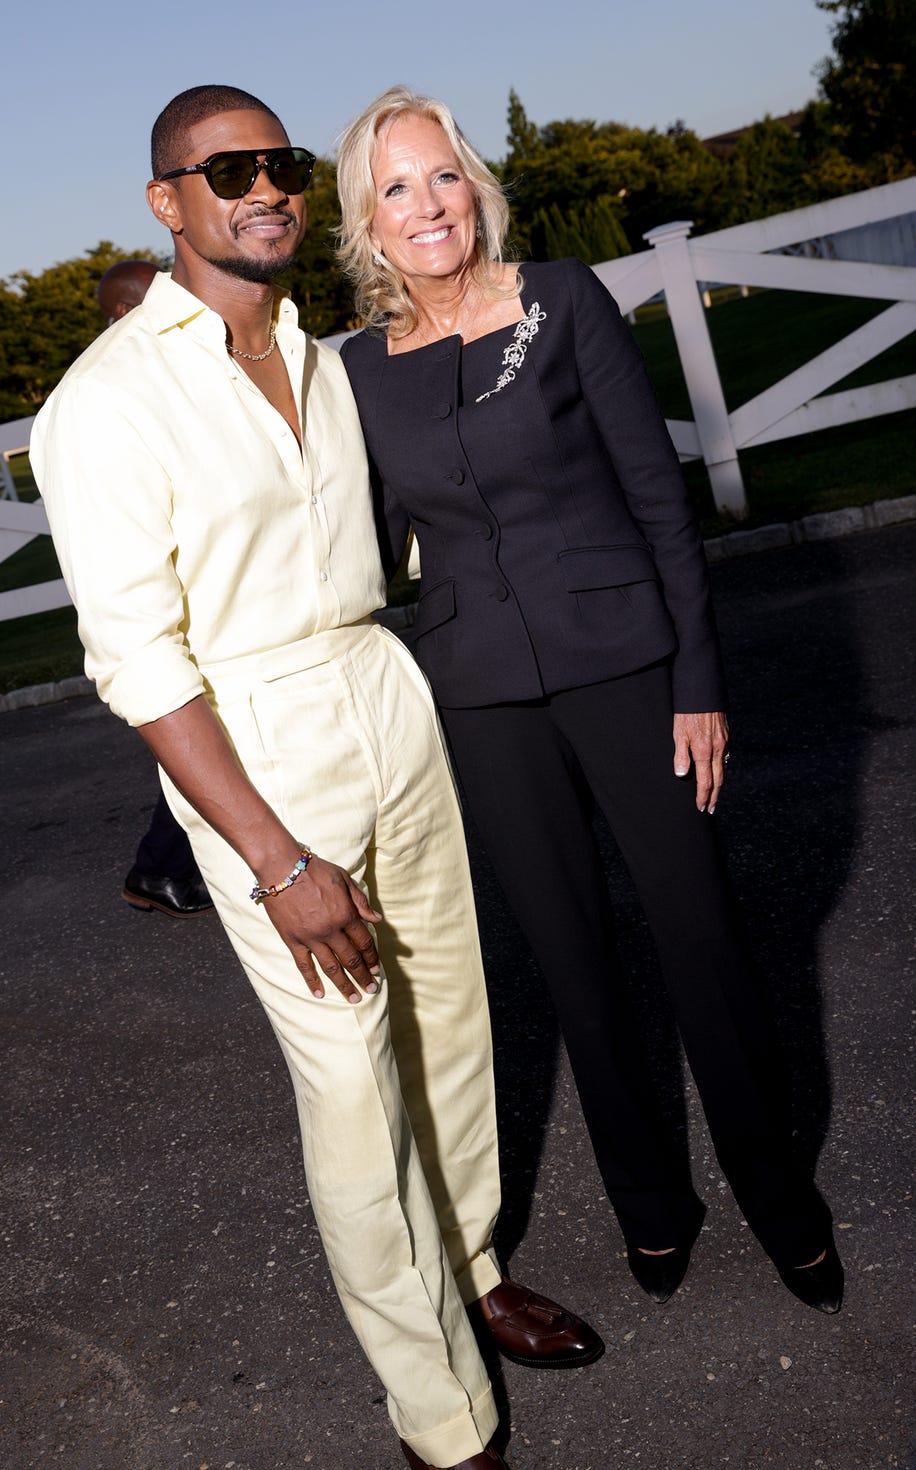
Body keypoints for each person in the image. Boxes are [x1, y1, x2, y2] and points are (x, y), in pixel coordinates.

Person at [31, 84, 604, 1470]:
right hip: (257, 742)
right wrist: (275, 860)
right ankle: (436, 1406)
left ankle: (471, 1267)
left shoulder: (324, 354)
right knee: (351, 1081)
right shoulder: (103, 404)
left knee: (453, 1024)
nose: (266, 185)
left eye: (281, 162)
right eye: (227, 169)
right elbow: (141, 666)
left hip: (385, 691)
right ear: (168, 202)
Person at [336, 86, 843, 1316]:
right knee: (569, 959)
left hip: (628, 668)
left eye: (442, 175)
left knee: (699, 935)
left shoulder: (559, 299)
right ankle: (649, 1205)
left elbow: (658, 501)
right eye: (396, 187)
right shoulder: (354, 370)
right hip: (482, 703)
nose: (427, 206)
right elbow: (361, 540)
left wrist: (696, 680)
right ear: (365, 220)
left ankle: (776, 1193)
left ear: (474, 187)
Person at [95, 259, 215, 920]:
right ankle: (160, 870)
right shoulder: (110, 399)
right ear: (122, 314)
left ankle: (159, 869)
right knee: (201, 742)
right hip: (171, 610)